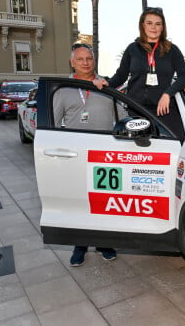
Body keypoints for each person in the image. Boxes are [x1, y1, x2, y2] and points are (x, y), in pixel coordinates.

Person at [54, 43, 118, 266]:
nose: (85, 62)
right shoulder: (63, 89)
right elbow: (51, 124)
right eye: (80, 59)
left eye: (89, 58)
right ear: (72, 62)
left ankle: (103, 243)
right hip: (76, 155)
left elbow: (122, 118)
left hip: (105, 154)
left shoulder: (107, 86)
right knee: (80, 200)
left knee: (103, 200)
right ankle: (80, 245)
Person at [94, 7, 185, 139]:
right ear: (142, 25)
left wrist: (168, 94)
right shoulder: (132, 49)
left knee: (179, 141)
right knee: (138, 150)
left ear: (163, 27)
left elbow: (184, 77)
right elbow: (121, 76)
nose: (153, 27)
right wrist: (107, 83)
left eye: (158, 24)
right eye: (149, 23)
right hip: (136, 108)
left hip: (164, 109)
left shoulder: (172, 50)